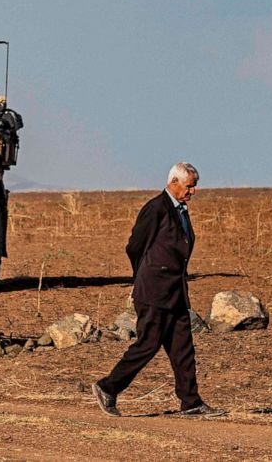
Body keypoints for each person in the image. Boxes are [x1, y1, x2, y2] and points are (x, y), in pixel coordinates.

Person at [92, 162, 225, 418]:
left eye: (195, 186)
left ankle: (191, 402)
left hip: (175, 292)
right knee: (148, 344)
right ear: (174, 183)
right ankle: (107, 388)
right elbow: (134, 247)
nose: (193, 191)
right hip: (154, 292)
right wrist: (142, 278)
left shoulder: (181, 211)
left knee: (183, 347)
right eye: (190, 186)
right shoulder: (156, 209)